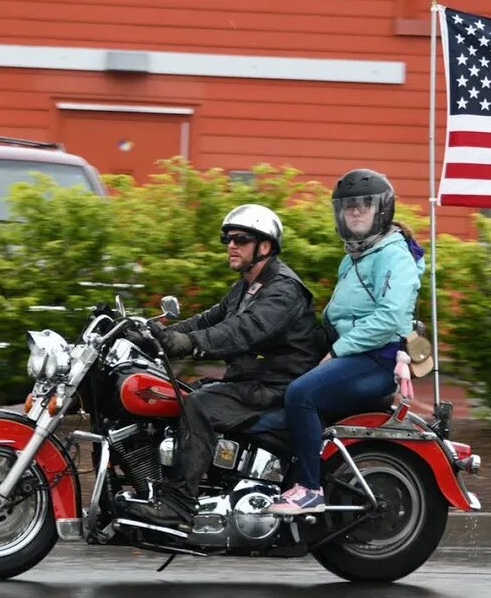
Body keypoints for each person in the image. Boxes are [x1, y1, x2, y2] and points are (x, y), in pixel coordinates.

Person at [122, 203, 324, 529]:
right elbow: (208, 320)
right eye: (228, 239)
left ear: (265, 246)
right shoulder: (244, 287)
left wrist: (191, 344)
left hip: (276, 386)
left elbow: (245, 329)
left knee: (199, 405)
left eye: (241, 239)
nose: (231, 245)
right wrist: (156, 335)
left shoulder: (284, 289)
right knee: (180, 394)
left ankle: (178, 506)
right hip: (252, 381)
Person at [269, 169, 424, 515]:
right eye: (349, 205)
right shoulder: (355, 254)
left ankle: (309, 488)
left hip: (375, 360)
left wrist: (337, 351)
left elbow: (387, 318)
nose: (355, 211)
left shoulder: (392, 255)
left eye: (364, 205)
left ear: (381, 210)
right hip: (351, 352)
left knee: (302, 393)